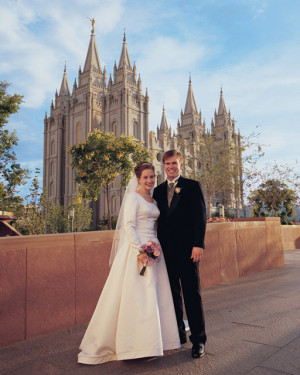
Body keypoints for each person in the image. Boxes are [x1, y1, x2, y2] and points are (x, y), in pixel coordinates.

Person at [78, 161, 180, 365]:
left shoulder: (153, 200)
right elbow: (128, 226)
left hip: (155, 249)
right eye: (146, 177)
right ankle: (132, 345)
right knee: (136, 298)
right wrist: (140, 251)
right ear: (138, 179)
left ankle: (150, 343)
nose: (150, 180)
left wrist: (155, 248)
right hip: (138, 250)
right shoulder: (133, 198)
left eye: (152, 176)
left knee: (153, 297)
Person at [153, 150, 207, 358]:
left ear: (180, 165)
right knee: (173, 293)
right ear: (163, 166)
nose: (170, 167)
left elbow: (199, 217)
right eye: (167, 163)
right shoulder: (157, 191)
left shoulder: (192, 186)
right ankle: (178, 334)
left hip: (188, 250)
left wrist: (198, 244)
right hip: (166, 251)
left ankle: (199, 340)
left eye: (174, 163)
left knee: (192, 294)